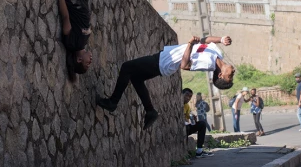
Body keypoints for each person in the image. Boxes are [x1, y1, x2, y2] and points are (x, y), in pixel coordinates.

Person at [96, 35, 234, 130]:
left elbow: (184, 65)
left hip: (164, 63)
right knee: (136, 78)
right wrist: (221, 39)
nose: (232, 74)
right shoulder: (218, 55)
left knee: (127, 67)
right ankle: (150, 111)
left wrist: (190, 44)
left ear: (220, 75)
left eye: (230, 77)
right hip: (165, 58)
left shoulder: (208, 63)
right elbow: (204, 40)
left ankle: (113, 102)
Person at [183, 88, 214, 158]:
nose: (188, 98)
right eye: (186, 95)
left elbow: (189, 117)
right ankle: (185, 154)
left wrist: (193, 117)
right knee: (186, 128)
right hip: (180, 128)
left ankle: (199, 151)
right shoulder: (177, 104)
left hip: (186, 127)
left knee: (202, 124)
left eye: (190, 96)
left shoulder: (187, 106)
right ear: (181, 95)